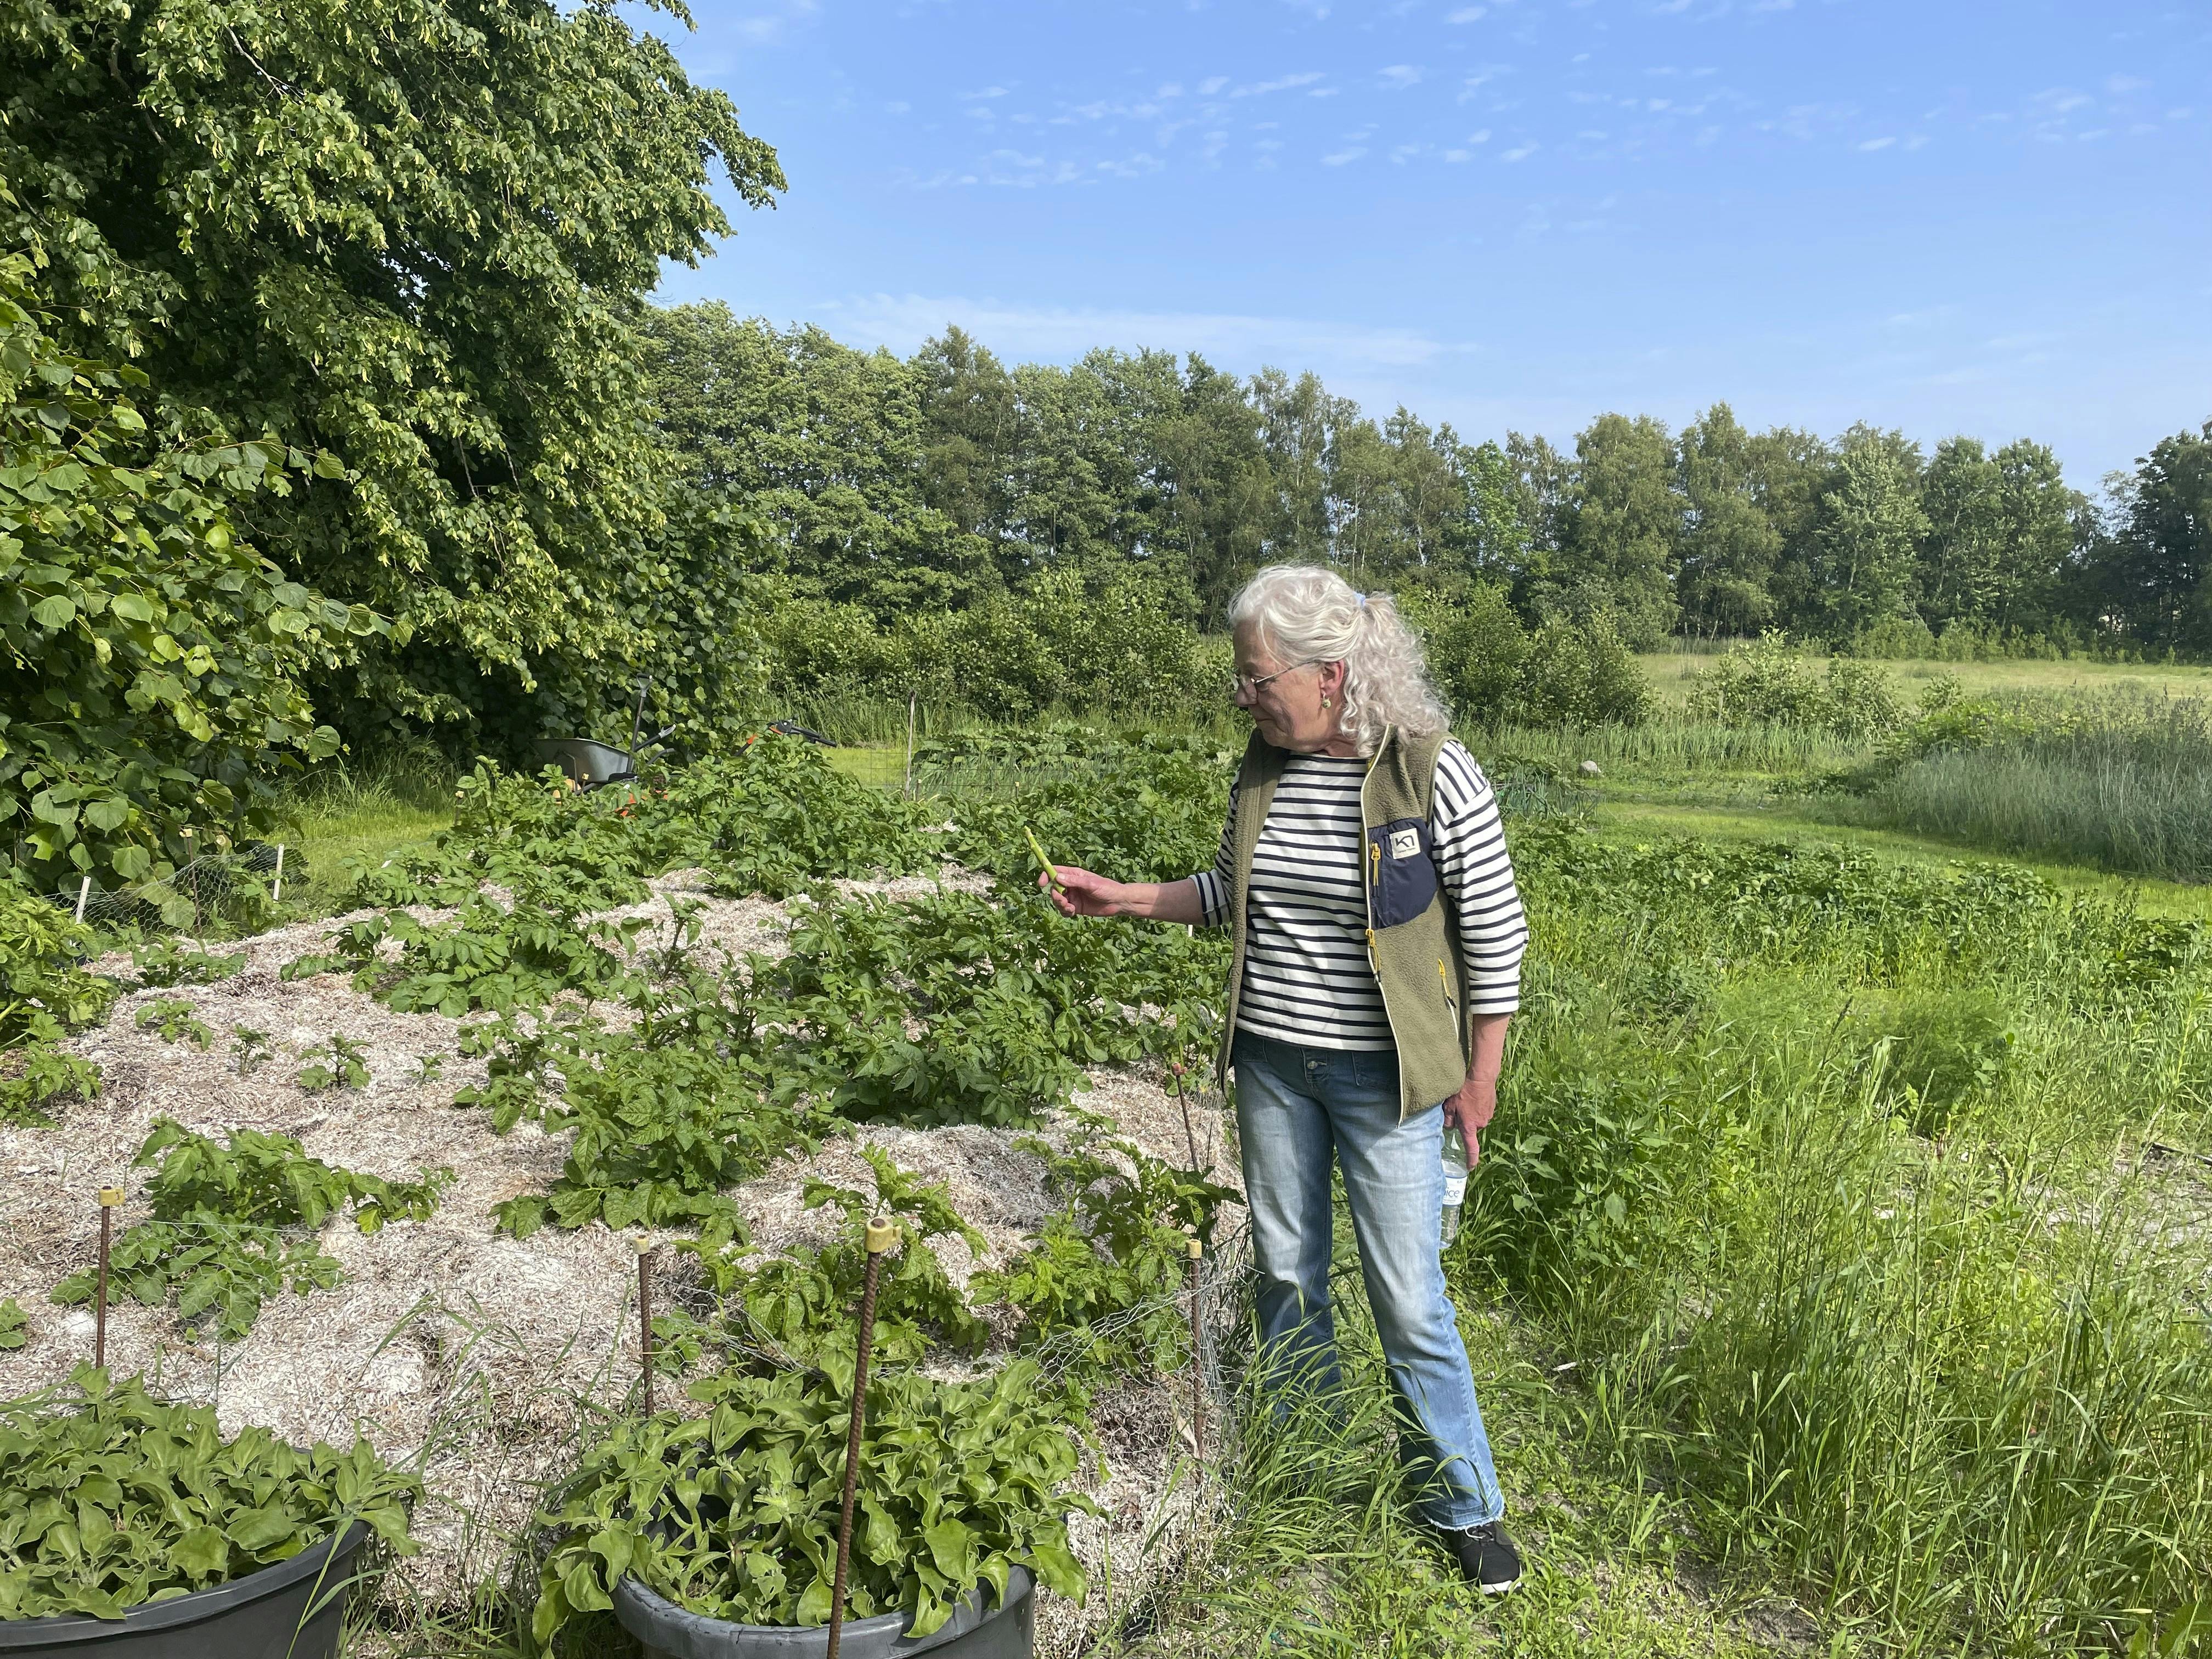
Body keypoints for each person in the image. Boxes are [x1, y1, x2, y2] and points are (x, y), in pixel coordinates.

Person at [1043, 563, 1530, 1595]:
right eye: (1242, 680)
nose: (1245, 697)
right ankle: (1310, 1459)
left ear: (1332, 675)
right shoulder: (1263, 768)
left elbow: (1495, 937)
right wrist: (1124, 898)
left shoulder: (1433, 772)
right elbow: (1230, 892)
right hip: (1271, 1065)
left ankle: (1464, 1504)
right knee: (1288, 1274)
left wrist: (1479, 1080)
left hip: (1388, 1082)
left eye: (1257, 678)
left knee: (1408, 1297)